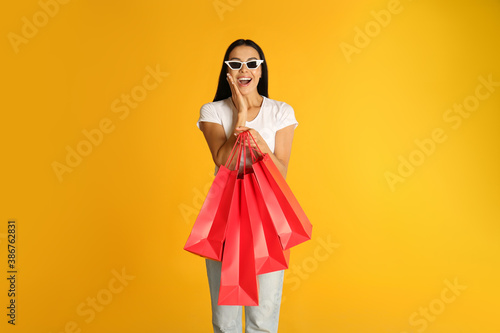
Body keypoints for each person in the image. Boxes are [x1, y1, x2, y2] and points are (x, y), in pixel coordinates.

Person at [196, 38, 299, 333]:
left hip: (269, 220)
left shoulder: (281, 111)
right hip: (226, 218)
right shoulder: (212, 111)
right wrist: (240, 113)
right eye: (235, 63)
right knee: (224, 317)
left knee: (264, 316)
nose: (244, 69)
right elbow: (224, 160)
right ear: (226, 71)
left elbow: (280, 173)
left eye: (252, 63)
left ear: (261, 69)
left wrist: (260, 143)